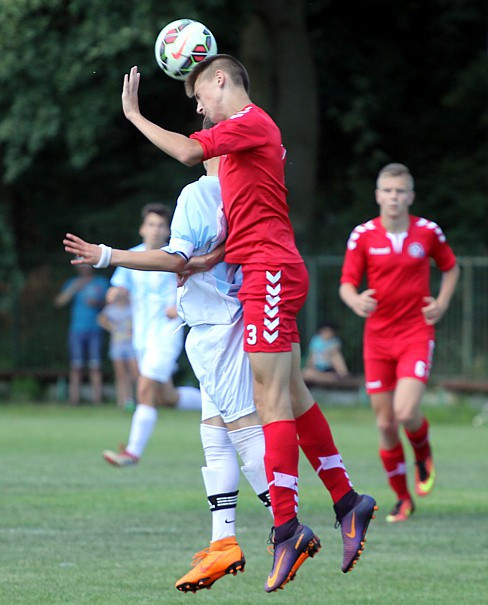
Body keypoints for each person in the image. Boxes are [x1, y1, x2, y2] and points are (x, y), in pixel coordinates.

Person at [118, 56, 376, 591]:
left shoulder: (251, 122)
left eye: (199, 96)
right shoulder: (243, 140)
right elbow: (246, 214)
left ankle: (286, 530)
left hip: (269, 273)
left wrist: (135, 116)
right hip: (266, 270)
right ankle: (347, 500)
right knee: (294, 397)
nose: (199, 109)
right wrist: (209, 259)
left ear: (220, 80)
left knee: (269, 403)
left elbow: (189, 151)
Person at [64, 149, 272, 593]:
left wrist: (105, 254)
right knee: (206, 425)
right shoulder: (245, 191)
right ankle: (224, 542)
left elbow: (177, 259)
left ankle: (287, 523)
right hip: (195, 327)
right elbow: (201, 256)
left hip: (202, 325)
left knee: (229, 423)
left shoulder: (203, 193)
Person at [339, 163, 459, 523]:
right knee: (386, 425)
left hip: (415, 333)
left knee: (405, 413)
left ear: (410, 196)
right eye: (388, 191)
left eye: (400, 191)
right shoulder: (363, 235)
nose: (394, 197)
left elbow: (451, 267)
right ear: (378, 195)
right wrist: (355, 300)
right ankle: (403, 499)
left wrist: (442, 302)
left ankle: (422, 451)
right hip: (377, 338)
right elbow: (346, 283)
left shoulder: (428, 232)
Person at [93, 203, 202, 467]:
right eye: (151, 224)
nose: (155, 230)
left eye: (161, 225)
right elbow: (118, 288)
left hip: (166, 335)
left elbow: (196, 288)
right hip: (141, 338)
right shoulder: (132, 257)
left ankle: (132, 453)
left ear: (168, 231)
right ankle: (216, 403)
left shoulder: (176, 257)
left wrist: (180, 308)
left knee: (144, 388)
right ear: (142, 228)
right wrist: (114, 294)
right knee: (165, 397)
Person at [54, 263, 109, 405]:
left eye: (87, 266)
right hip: (77, 330)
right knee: (76, 366)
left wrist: (97, 303)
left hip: (96, 329)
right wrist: (73, 288)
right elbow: (59, 302)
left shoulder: (101, 282)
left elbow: (111, 303)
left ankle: (97, 400)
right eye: (82, 266)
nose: (84, 268)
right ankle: (74, 400)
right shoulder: (72, 283)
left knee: (95, 366)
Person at [97, 287, 138, 410]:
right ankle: (122, 401)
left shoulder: (134, 307)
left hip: (132, 344)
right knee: (121, 375)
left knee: (135, 373)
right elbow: (101, 319)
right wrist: (112, 328)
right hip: (117, 345)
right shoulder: (111, 308)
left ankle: (138, 399)